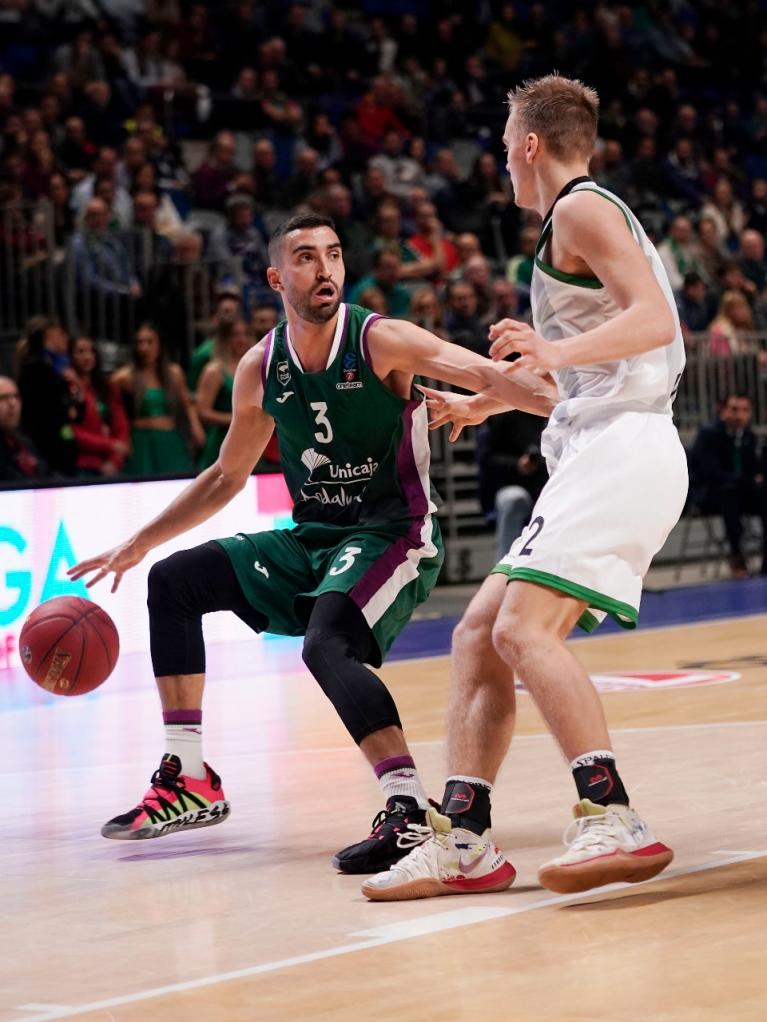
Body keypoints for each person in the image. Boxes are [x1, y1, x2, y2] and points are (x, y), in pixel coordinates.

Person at [68, 212, 554, 873]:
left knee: (325, 644)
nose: (323, 268)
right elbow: (225, 475)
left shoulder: (383, 339)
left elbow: (489, 376)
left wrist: (569, 402)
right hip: (313, 536)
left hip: (393, 530)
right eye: (304, 257)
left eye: (332, 254)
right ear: (276, 277)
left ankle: (407, 809)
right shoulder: (258, 366)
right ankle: (187, 778)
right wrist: (138, 543)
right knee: (173, 581)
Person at [363, 73, 688, 902]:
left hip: (625, 450)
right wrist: (492, 398)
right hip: (597, 444)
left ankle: (611, 815)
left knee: (521, 628)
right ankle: (465, 839)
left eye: (506, 142)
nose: (502, 158)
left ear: (530, 144)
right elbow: (585, 385)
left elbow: (654, 321)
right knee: (477, 634)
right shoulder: (569, 227)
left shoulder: (581, 207)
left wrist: (548, 354)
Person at [688, 393, 767, 578]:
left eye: (745, 410)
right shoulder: (708, 434)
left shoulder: (749, 437)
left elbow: (752, 471)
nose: (739, 415)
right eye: (734, 409)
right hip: (709, 494)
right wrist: (745, 481)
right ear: (722, 410)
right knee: (729, 493)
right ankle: (736, 557)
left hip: (739, 492)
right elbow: (710, 473)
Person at [112, 323, 203, 476]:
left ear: (159, 344)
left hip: (169, 439)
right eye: (140, 342)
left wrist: (195, 427)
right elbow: (113, 410)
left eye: (149, 342)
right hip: (141, 441)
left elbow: (187, 405)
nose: (144, 347)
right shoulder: (124, 377)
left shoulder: (174, 373)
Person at [16, 316, 79, 476]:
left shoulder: (60, 367)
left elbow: (76, 413)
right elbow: (48, 415)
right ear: (49, 334)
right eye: (62, 333)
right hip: (47, 455)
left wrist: (76, 391)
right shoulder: (35, 368)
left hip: (64, 451)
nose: (66, 338)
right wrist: (68, 410)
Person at [196, 318, 254, 470]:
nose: (242, 339)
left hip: (251, 439)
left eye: (246, 334)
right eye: (236, 335)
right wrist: (235, 420)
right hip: (222, 439)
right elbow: (202, 411)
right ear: (225, 338)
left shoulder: (256, 367)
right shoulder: (214, 370)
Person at [69, 334, 130, 477]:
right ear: (70, 355)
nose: (87, 356)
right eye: (81, 352)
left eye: (91, 351)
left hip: (111, 465)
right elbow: (72, 431)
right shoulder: (68, 389)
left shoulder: (107, 387)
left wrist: (115, 461)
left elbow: (121, 426)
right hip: (81, 465)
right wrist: (110, 445)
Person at [0, 376, 49, 483]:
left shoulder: (23, 441)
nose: (13, 404)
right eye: (3, 398)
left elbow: (46, 474)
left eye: (16, 397)